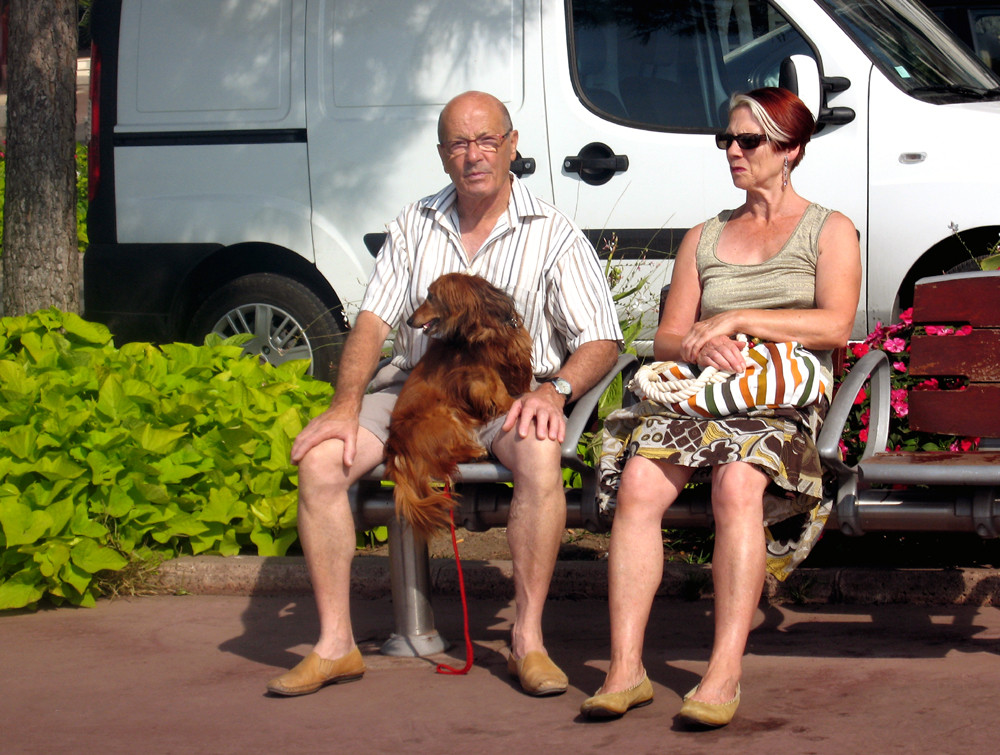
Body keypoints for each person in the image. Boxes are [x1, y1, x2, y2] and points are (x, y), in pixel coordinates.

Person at [266, 91, 622, 698]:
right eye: (459, 143)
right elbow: (373, 323)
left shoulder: (553, 231)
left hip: (507, 396)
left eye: (487, 140)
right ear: (441, 154)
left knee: (539, 457)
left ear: (512, 146)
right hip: (417, 388)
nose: (473, 155)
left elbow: (601, 338)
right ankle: (335, 646)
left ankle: (527, 642)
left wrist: (556, 389)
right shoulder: (414, 224)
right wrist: (344, 408)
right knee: (322, 461)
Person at [582, 87, 861, 726]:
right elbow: (670, 336)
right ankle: (625, 667)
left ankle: (722, 671)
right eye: (726, 140)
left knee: (738, 486)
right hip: (706, 396)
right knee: (640, 484)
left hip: (776, 398)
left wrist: (737, 318)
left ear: (791, 150)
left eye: (749, 141)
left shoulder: (828, 229)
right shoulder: (705, 237)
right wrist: (703, 347)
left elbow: (835, 327)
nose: (732, 151)